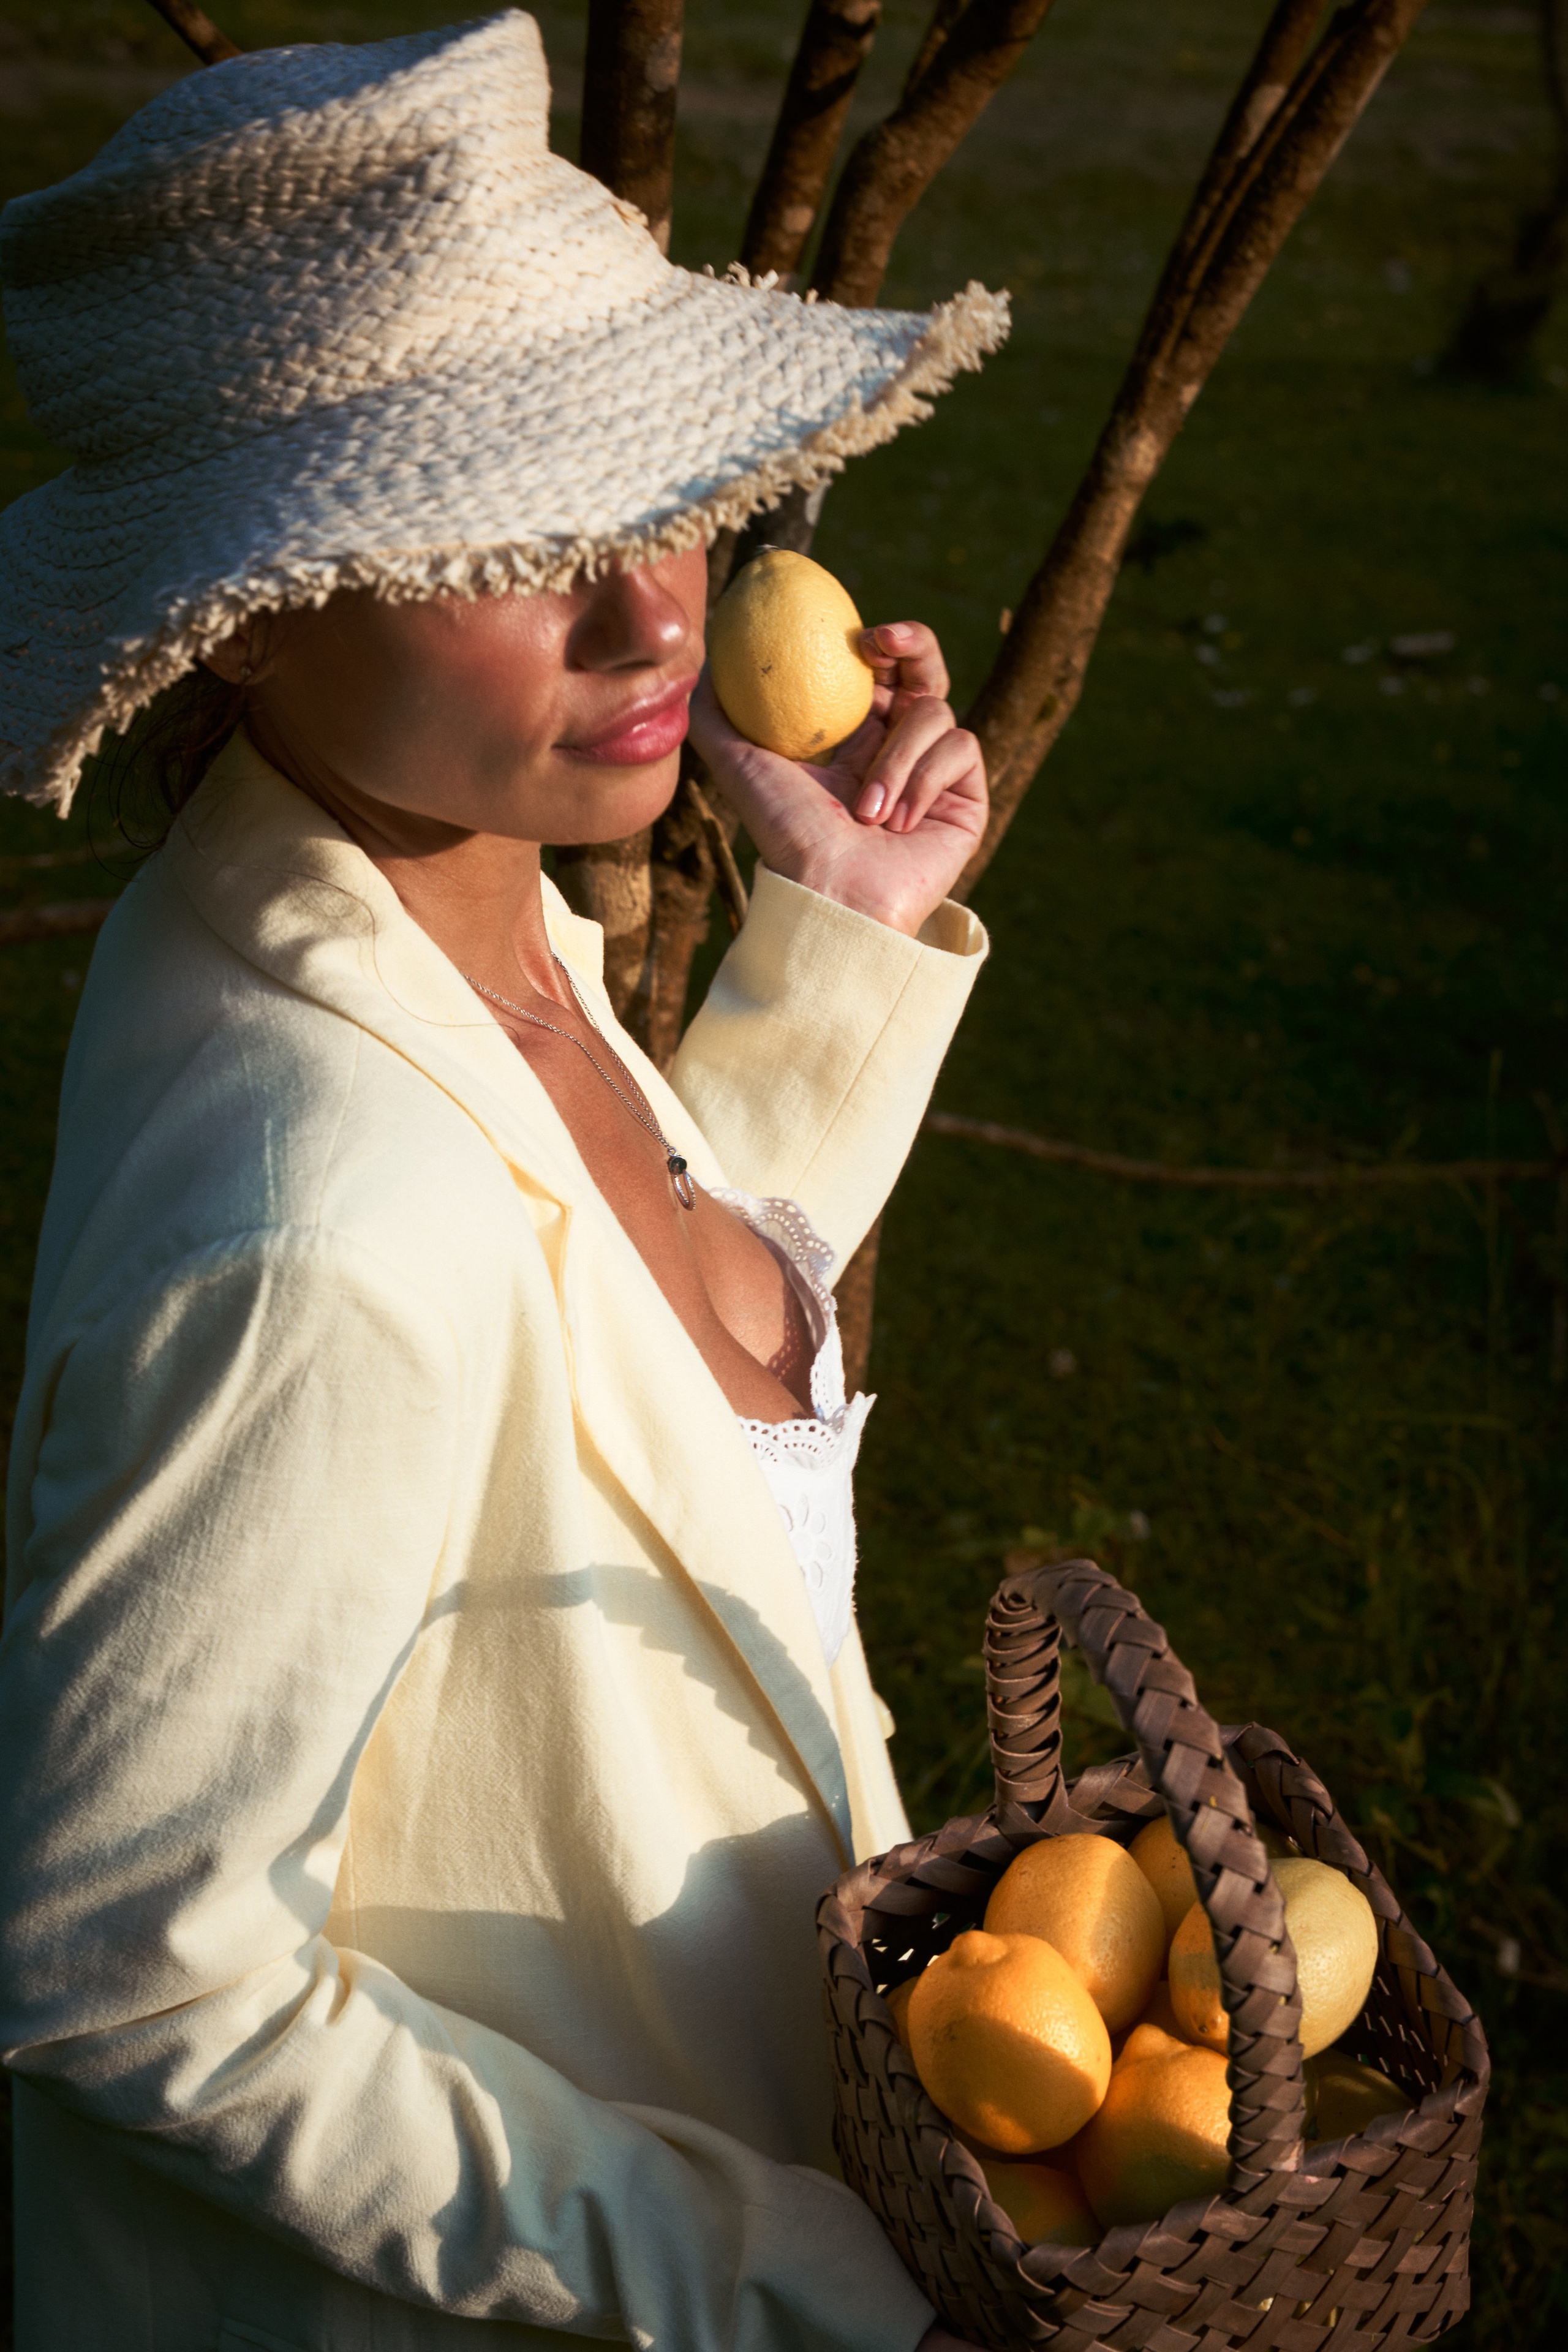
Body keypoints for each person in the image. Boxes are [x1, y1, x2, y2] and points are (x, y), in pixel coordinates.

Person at [0, 14, 1008, 2349]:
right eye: (510, 535)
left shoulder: (437, 905)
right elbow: (130, 1969)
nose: (658, 609)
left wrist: (833, 952)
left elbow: (614, 1345)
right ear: (240, 618)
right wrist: (776, 2283)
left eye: (644, 485)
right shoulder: (311, 1223)